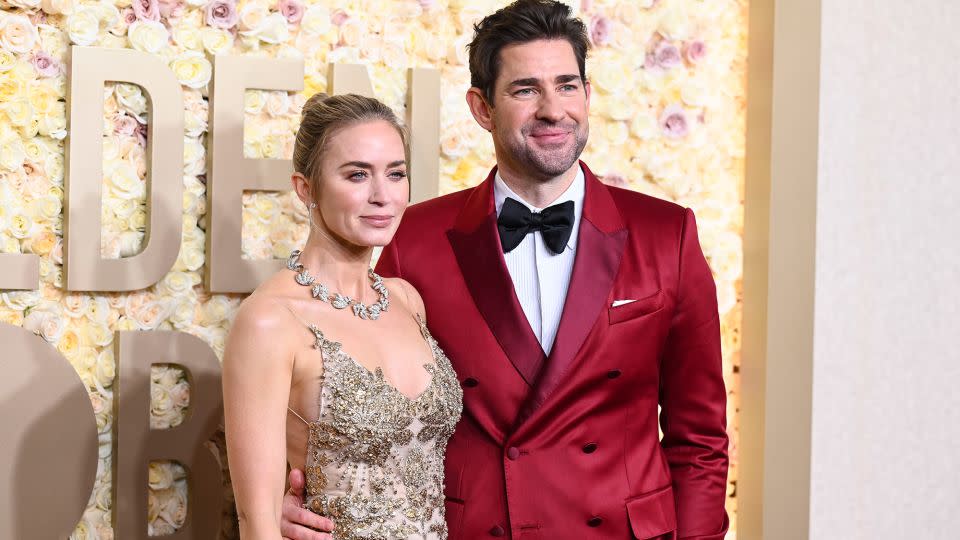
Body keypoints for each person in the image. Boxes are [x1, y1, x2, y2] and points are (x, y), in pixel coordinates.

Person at [281, 1, 728, 538]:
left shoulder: (667, 234)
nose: (552, 110)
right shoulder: (414, 241)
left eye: (567, 86)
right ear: (481, 108)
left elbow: (699, 437)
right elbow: (362, 400)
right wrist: (289, 499)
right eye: (525, 90)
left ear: (588, 95)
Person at [223, 93, 463, 540]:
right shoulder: (271, 320)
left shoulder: (406, 300)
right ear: (305, 189)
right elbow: (256, 524)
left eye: (396, 174)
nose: (382, 196)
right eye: (357, 175)